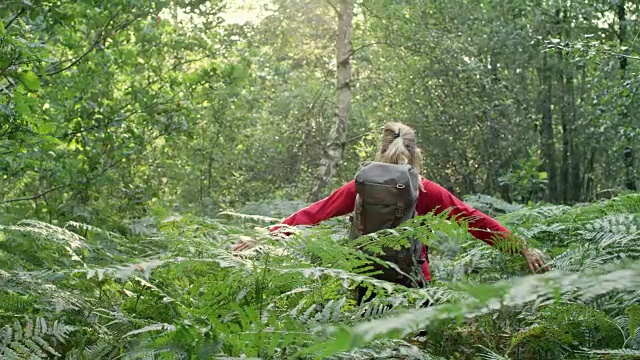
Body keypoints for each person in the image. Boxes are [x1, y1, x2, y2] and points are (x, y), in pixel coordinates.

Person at [233, 122, 547, 302]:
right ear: (415, 153)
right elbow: (473, 219)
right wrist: (520, 247)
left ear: (381, 151)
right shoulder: (424, 189)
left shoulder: (360, 187)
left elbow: (314, 213)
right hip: (413, 281)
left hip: (367, 280)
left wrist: (264, 238)